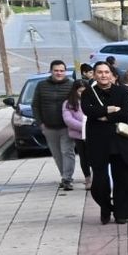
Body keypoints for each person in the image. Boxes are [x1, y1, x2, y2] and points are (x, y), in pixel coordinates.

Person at [81, 61, 128, 225]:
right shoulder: (88, 93)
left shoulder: (122, 91)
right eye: (99, 72)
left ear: (112, 75)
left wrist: (103, 117)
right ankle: (106, 208)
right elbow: (88, 111)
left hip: (120, 139)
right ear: (94, 74)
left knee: (124, 177)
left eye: (106, 72)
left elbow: (126, 113)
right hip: (98, 141)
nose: (103, 75)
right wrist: (109, 109)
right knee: (99, 182)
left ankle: (122, 213)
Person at [32, 59, 78, 190]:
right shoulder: (41, 85)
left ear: (65, 72)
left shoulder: (71, 85)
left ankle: (67, 179)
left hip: (67, 127)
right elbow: (35, 106)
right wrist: (40, 124)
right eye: (56, 70)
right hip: (49, 127)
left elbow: (77, 104)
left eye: (62, 71)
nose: (59, 73)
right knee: (57, 154)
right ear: (51, 71)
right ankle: (64, 176)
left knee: (67, 151)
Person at [62, 80, 90, 185]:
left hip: (93, 134)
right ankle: (88, 178)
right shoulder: (68, 103)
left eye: (85, 91)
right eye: (80, 91)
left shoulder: (92, 100)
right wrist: (84, 127)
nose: (82, 93)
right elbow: (68, 120)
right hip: (79, 135)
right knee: (84, 157)